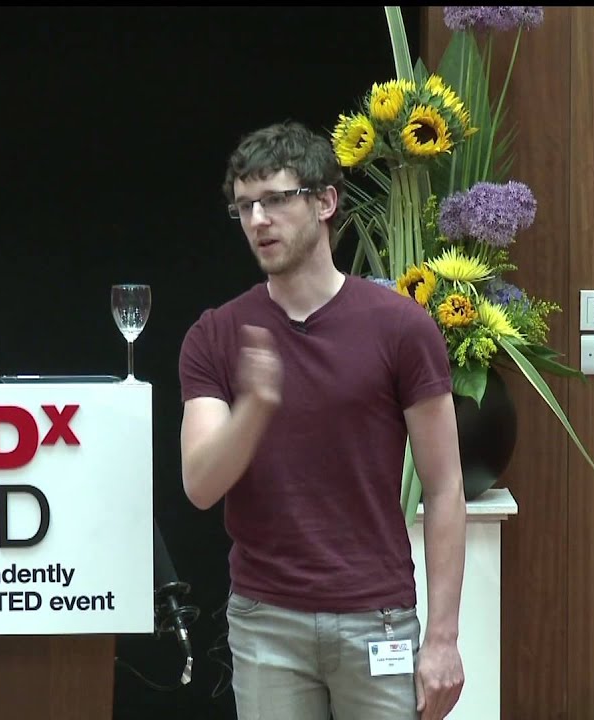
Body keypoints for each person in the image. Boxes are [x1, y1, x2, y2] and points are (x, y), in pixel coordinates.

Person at [177, 121, 468, 720]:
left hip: (377, 617)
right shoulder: (217, 334)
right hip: (265, 622)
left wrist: (442, 639)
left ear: (325, 201)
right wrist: (255, 407)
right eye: (245, 207)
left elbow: (444, 488)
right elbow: (200, 485)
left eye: (276, 200)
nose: (259, 220)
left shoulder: (402, 328)